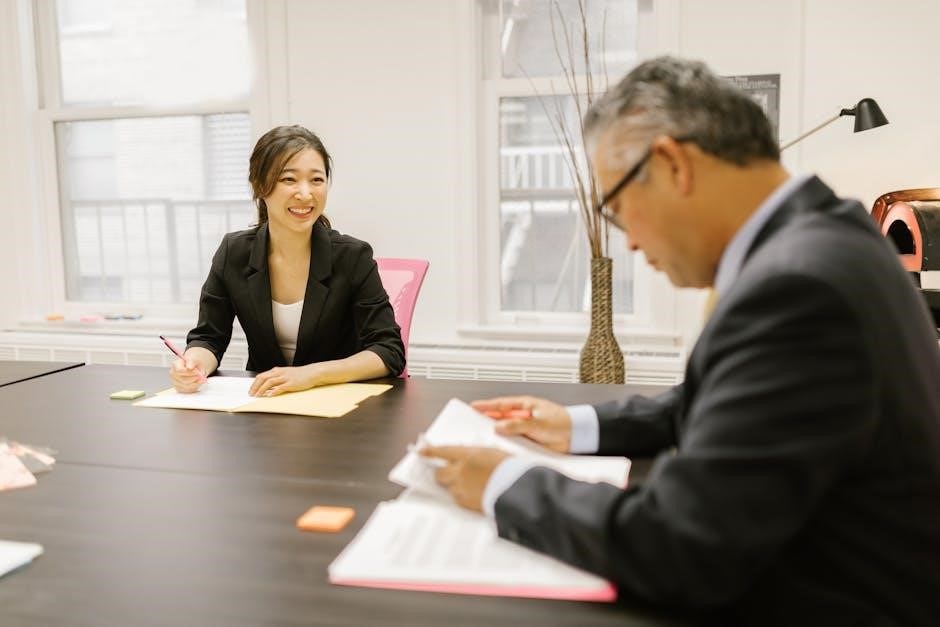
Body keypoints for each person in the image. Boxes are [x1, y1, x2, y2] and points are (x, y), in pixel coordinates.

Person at [423, 56, 940, 625]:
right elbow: (730, 400)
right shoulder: (829, 235)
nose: (629, 243)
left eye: (618, 211)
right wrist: (576, 425)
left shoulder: (797, 287)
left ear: (673, 165)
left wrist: (505, 482)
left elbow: (681, 545)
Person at [170, 125, 404, 396]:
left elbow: (389, 350)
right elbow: (209, 337)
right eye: (289, 179)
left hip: (337, 403)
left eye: (316, 180)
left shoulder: (352, 256)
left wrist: (312, 375)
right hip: (265, 402)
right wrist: (194, 364)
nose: (305, 193)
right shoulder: (233, 252)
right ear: (260, 186)